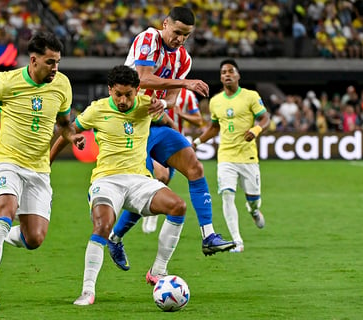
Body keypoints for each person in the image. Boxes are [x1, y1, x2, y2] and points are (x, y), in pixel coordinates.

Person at [0, 31, 85, 311]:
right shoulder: (7, 81)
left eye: (58, 62)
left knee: (35, 239)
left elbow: (64, 123)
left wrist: (72, 135)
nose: (56, 68)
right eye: (51, 62)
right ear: (33, 60)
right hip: (8, 161)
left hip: (39, 170)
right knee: (5, 213)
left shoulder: (62, 85)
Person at [108, 6, 235, 274]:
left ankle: (209, 235)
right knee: (152, 184)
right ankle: (115, 237)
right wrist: (185, 84)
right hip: (129, 125)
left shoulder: (184, 59)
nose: (179, 39)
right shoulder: (148, 39)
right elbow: (142, 77)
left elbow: (173, 100)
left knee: (194, 167)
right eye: (177, 32)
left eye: (185, 35)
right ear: (165, 24)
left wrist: (164, 102)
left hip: (154, 124)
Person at [49, 65, 186, 306]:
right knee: (103, 225)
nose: (123, 100)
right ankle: (87, 291)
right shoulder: (97, 109)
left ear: (137, 91)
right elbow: (67, 131)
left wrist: (177, 147)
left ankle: (158, 271)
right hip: (107, 180)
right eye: (118, 94)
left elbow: (167, 123)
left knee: (178, 206)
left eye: (128, 94)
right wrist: (47, 162)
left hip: (140, 181)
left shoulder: (147, 105)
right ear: (110, 89)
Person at [192, 59, 270, 253]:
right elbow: (214, 127)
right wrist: (196, 143)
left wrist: (257, 129)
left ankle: (253, 210)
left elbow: (265, 118)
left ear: (237, 75)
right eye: (223, 72)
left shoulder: (251, 96)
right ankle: (237, 241)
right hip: (226, 156)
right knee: (227, 195)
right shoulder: (215, 101)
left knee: (253, 199)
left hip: (248, 157)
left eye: (230, 71)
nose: (226, 74)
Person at [141, 88, 204, 234]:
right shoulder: (151, 88)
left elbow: (199, 120)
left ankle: (151, 211)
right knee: (160, 176)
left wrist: (180, 113)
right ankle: (148, 213)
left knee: (164, 180)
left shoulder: (187, 95)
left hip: (174, 142)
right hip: (151, 138)